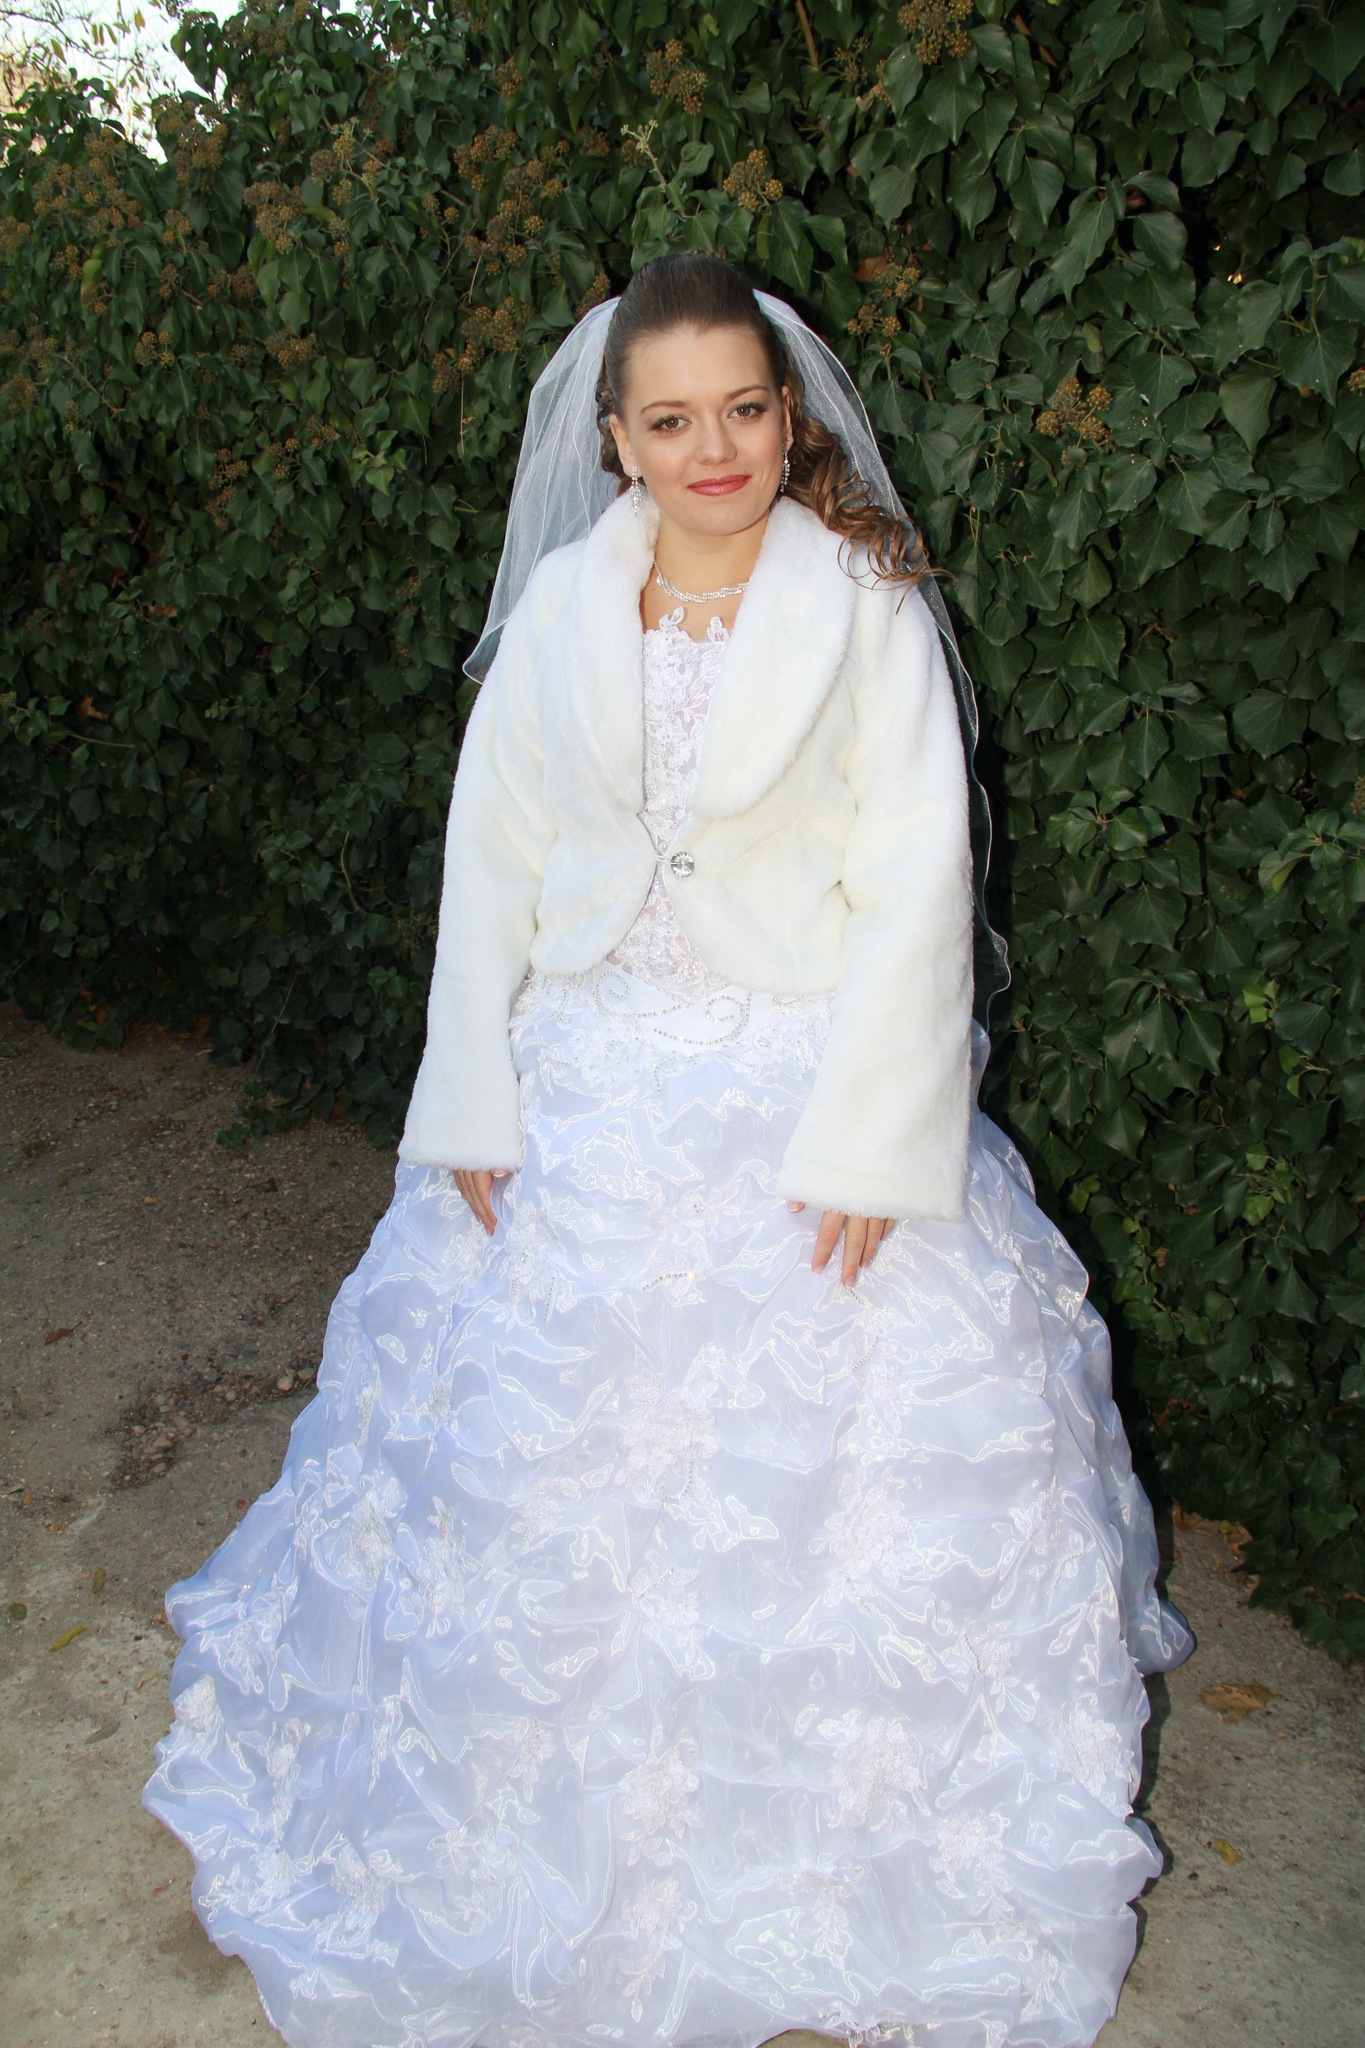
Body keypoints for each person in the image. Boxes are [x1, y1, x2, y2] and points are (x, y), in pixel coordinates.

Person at [143, 252, 1191, 2048]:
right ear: (616, 440)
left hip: (803, 1092)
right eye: (673, 419)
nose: (715, 450)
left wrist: (873, 1140)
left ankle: (818, 1857)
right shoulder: (565, 605)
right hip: (581, 1077)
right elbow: (492, 854)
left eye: (745, 410)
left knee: (833, 1490)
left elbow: (914, 873)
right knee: (521, 1480)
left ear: (788, 418)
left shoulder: (860, 603)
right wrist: (469, 1094)